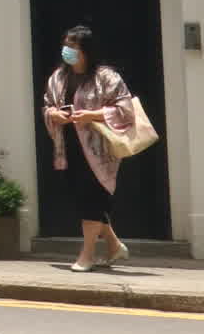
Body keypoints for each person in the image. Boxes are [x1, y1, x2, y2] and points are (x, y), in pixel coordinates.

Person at [41, 25, 140, 272]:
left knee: (92, 199)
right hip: (69, 148)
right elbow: (48, 105)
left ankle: (87, 256)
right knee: (84, 199)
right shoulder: (59, 77)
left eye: (72, 45)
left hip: (99, 151)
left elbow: (125, 110)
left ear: (86, 49)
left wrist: (92, 115)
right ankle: (114, 245)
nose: (67, 50)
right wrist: (53, 114)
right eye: (66, 44)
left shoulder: (106, 77)